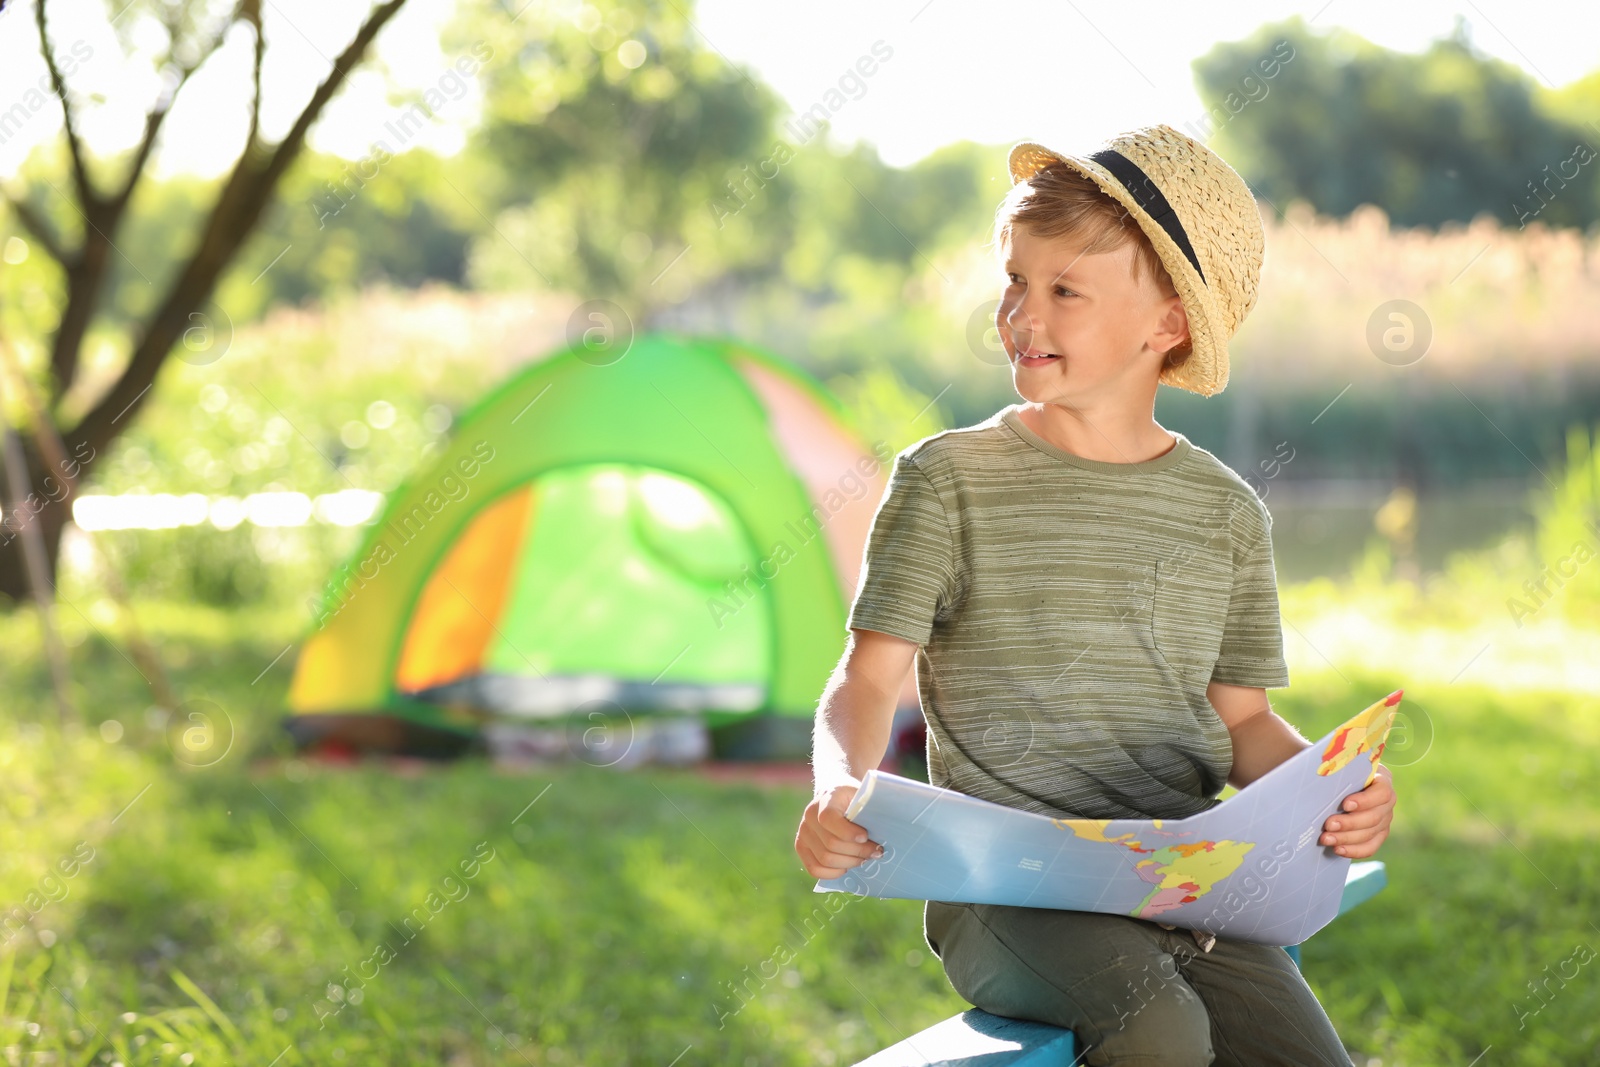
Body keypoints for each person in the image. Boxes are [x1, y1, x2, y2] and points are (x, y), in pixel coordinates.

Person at [794, 124, 1396, 1066]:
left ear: (1168, 326)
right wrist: (839, 786)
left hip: (1191, 884)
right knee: (1159, 1031)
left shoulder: (1226, 513)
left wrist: (1333, 790)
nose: (1023, 315)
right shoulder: (947, 479)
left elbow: (1242, 720)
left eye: (1064, 290)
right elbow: (868, 679)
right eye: (1014, 281)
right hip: (1005, 892)